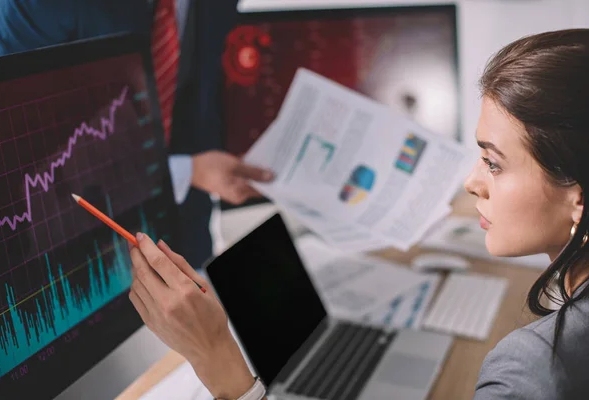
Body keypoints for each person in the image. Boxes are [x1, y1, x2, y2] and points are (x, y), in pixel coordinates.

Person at [127, 28, 589, 400]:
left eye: (493, 162)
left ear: (578, 196)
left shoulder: (529, 372)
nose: (471, 182)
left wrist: (218, 361)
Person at [0, 0, 274, 269]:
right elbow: (22, 159)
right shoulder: (37, 6)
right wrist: (187, 171)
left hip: (184, 225)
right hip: (70, 247)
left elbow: (198, 93)